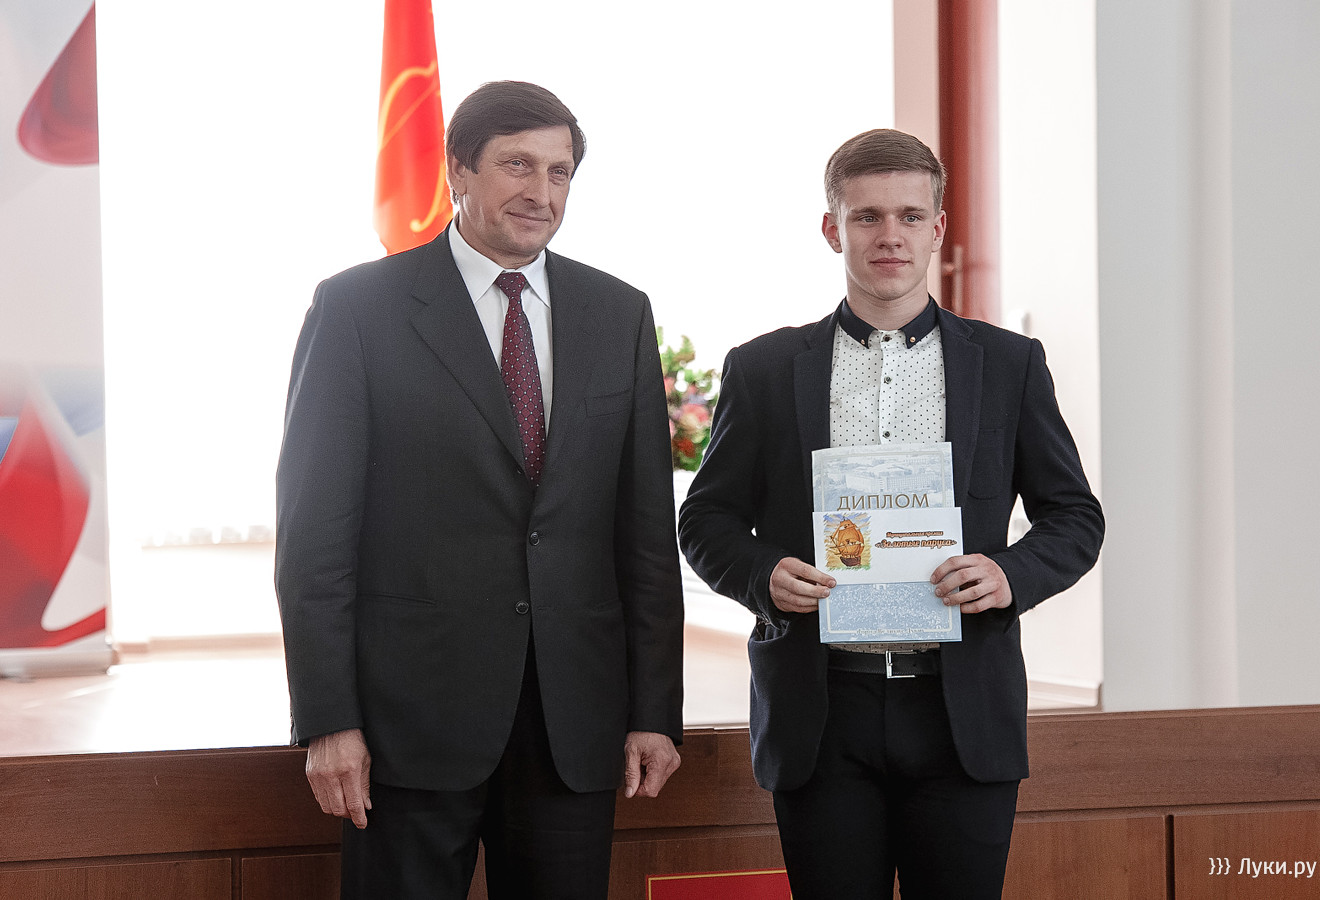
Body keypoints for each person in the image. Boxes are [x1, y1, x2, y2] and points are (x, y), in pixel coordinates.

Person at [275, 80, 684, 900]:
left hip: (572, 721)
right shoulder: (357, 309)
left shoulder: (619, 313)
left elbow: (644, 533)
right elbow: (314, 535)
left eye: (559, 172)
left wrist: (653, 711)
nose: (541, 192)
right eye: (517, 165)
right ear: (457, 170)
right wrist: (327, 719)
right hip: (408, 722)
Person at [677, 129, 1103, 899]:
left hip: (960, 709)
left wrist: (1009, 575)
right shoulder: (763, 369)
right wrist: (762, 574)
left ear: (937, 228)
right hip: (820, 708)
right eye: (866, 216)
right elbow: (704, 521)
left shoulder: (1008, 365)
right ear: (831, 228)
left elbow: (1074, 516)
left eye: (909, 216)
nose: (889, 236)